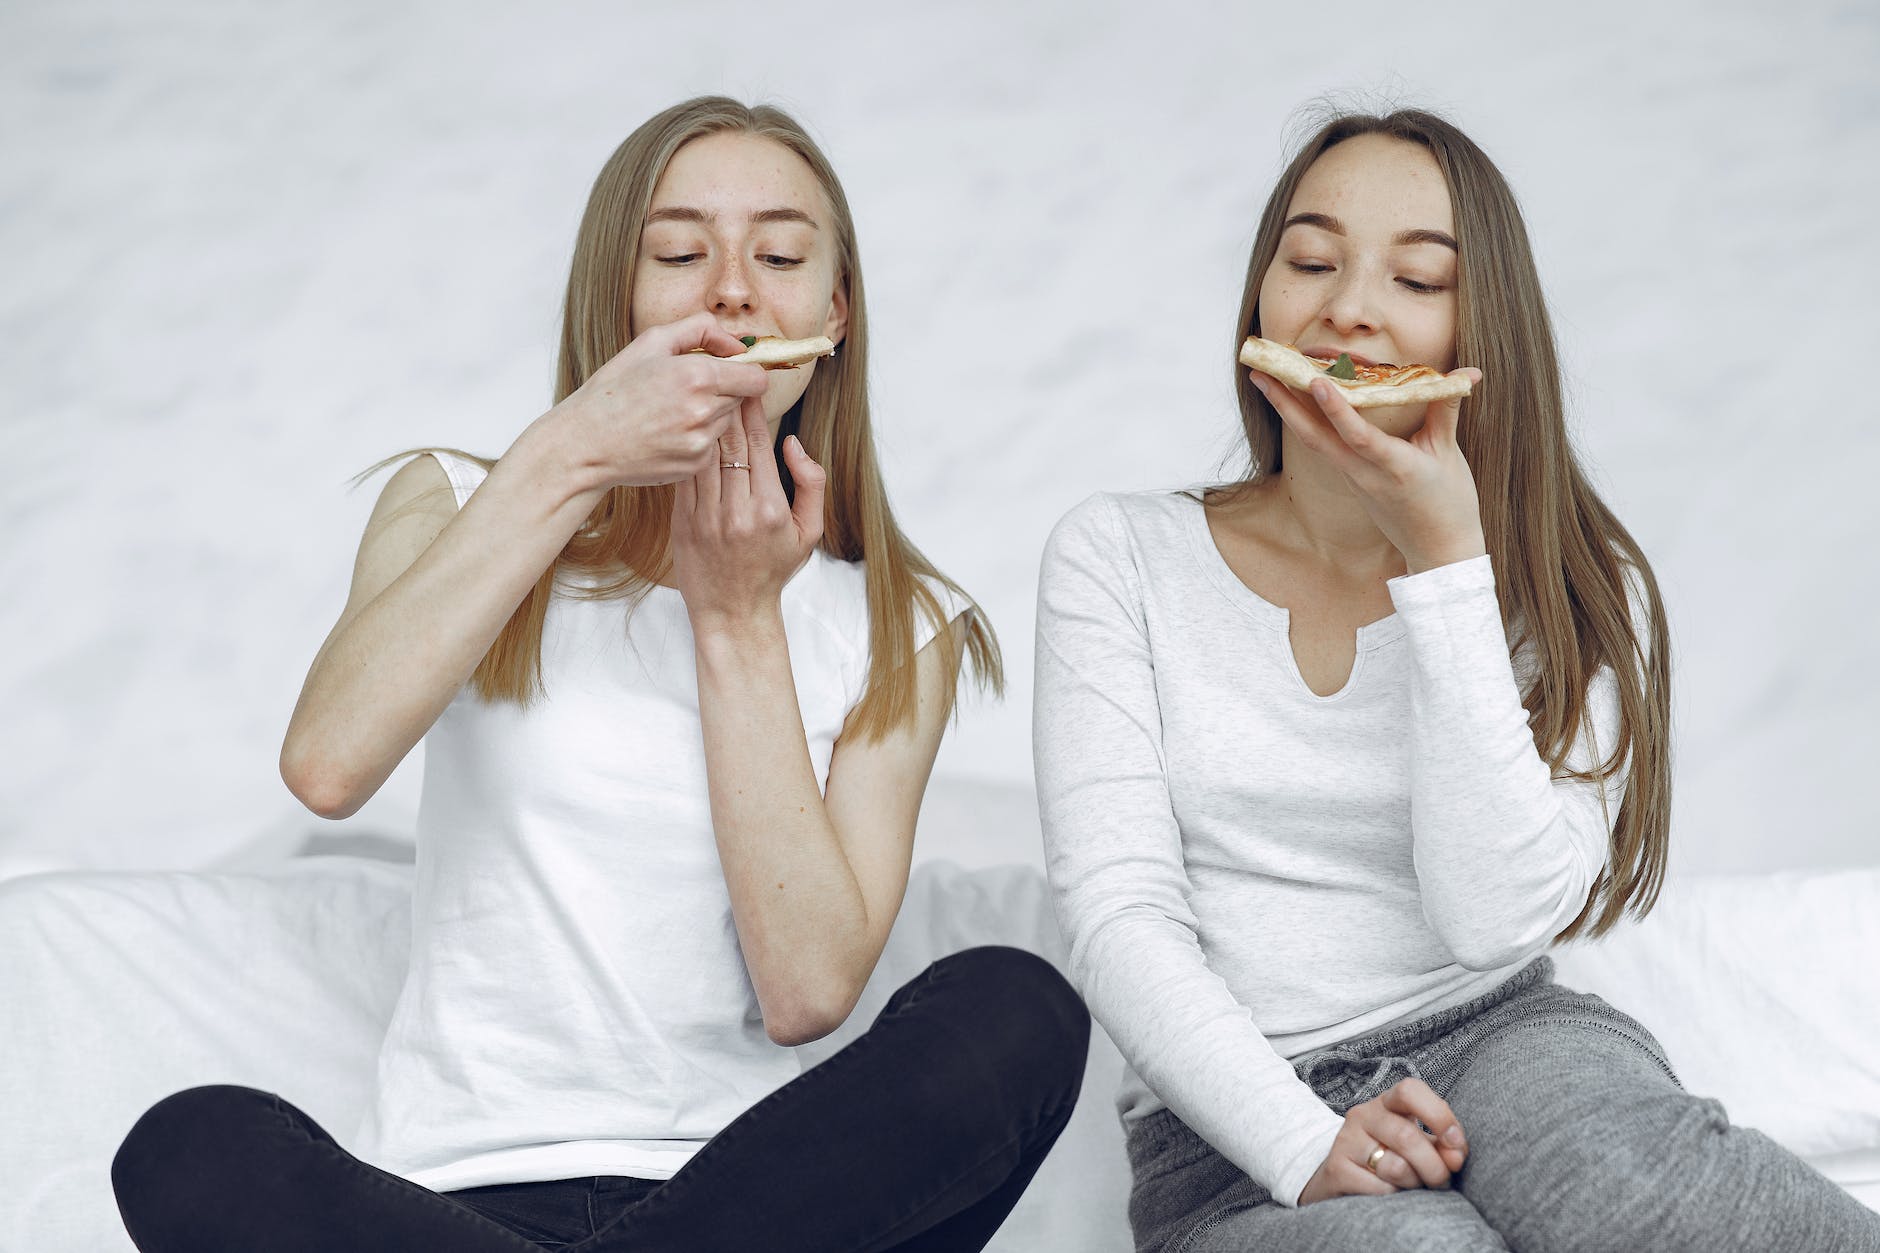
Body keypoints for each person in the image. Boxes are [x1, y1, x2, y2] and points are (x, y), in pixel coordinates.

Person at [111, 96, 1088, 1253]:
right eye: (677, 253)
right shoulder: (459, 498)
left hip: (769, 1204)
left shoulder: (904, 621)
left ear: (831, 315)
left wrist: (736, 621)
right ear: (613, 301)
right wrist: (572, 450)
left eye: (777, 255)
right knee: (192, 1142)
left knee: (1015, 1010)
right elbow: (326, 765)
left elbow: (807, 990)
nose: (730, 288)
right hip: (453, 1203)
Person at [1034, 107, 1880, 1251]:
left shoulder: (1573, 579)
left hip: (1510, 1040)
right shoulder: (1116, 555)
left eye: (1415, 277)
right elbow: (1118, 913)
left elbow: (1488, 921)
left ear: (1477, 329)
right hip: (1224, 1130)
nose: (1346, 307)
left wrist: (1444, 562)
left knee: (1631, 1183)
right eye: (1310, 260)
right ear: (1259, 296)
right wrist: (1299, 1139)